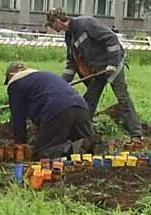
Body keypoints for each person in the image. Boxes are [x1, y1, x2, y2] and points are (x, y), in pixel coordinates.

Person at [45, 8, 142, 137]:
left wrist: (112, 64)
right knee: (88, 100)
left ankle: (136, 134)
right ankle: (82, 132)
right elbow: (72, 63)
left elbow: (111, 38)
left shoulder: (85, 24)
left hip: (112, 65)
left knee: (123, 98)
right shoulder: (69, 37)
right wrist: (62, 84)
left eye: (51, 24)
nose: (52, 28)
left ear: (57, 21)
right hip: (98, 70)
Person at [4, 62, 102, 159]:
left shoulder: (15, 83)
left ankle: (73, 147)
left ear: (11, 75)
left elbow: (18, 120)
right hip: (81, 106)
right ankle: (96, 146)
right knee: (89, 144)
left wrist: (20, 145)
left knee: (42, 152)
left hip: (57, 109)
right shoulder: (43, 75)